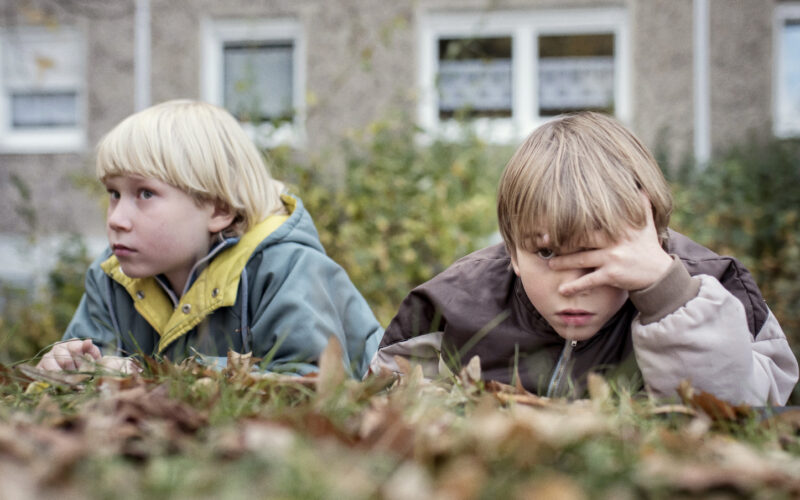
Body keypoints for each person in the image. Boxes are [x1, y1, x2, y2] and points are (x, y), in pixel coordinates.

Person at [371, 111, 798, 405]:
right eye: (546, 252)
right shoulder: (455, 302)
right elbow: (380, 404)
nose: (573, 286)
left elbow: (746, 410)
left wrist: (668, 297)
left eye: (598, 255)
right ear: (513, 250)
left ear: (655, 237)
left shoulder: (717, 287)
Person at [37, 99, 382, 377]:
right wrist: (66, 368)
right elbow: (86, 376)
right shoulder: (111, 276)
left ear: (218, 209)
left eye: (144, 194)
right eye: (114, 193)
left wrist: (154, 375)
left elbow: (312, 381)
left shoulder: (287, 268)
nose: (117, 219)